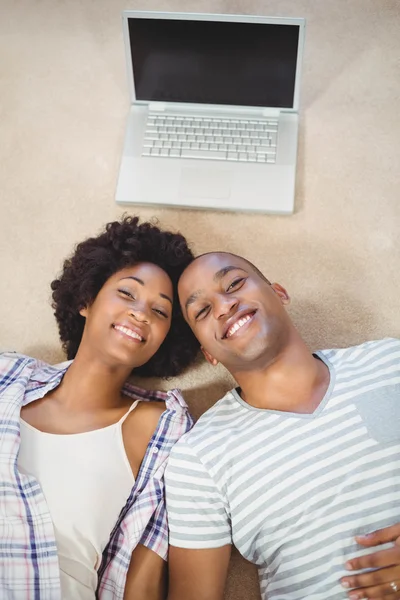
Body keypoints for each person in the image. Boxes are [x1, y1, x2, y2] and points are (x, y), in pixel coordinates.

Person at [165, 251, 400, 600]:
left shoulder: (389, 362)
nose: (224, 305)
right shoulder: (198, 457)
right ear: (208, 353)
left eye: (233, 283)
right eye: (202, 311)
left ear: (279, 292)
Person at [0, 216, 199, 600]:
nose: (141, 313)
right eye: (127, 294)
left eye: (160, 312)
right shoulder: (9, 374)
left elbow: (143, 574)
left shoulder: (163, 427)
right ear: (85, 300)